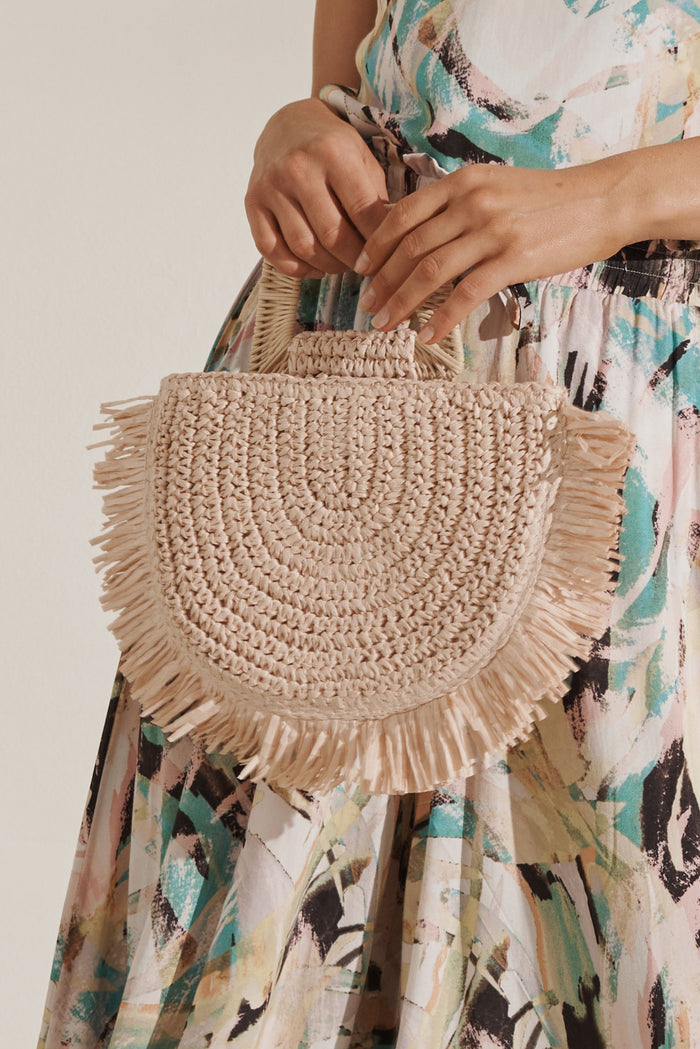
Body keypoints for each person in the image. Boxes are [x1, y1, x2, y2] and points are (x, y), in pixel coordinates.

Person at [39, 0, 700, 1046]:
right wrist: (299, 132)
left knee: (589, 940)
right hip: (335, 428)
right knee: (259, 946)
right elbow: (345, 85)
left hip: (611, 449)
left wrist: (608, 198)